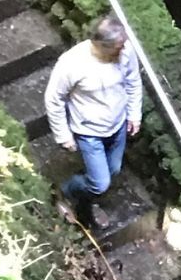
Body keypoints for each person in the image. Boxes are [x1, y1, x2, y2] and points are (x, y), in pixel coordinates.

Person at [46, 15, 142, 231]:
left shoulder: (126, 52)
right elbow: (54, 99)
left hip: (117, 125)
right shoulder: (72, 64)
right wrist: (63, 135)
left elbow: (133, 80)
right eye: (119, 46)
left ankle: (85, 200)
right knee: (100, 183)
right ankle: (66, 190)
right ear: (103, 45)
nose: (124, 48)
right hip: (89, 131)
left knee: (114, 169)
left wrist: (134, 113)